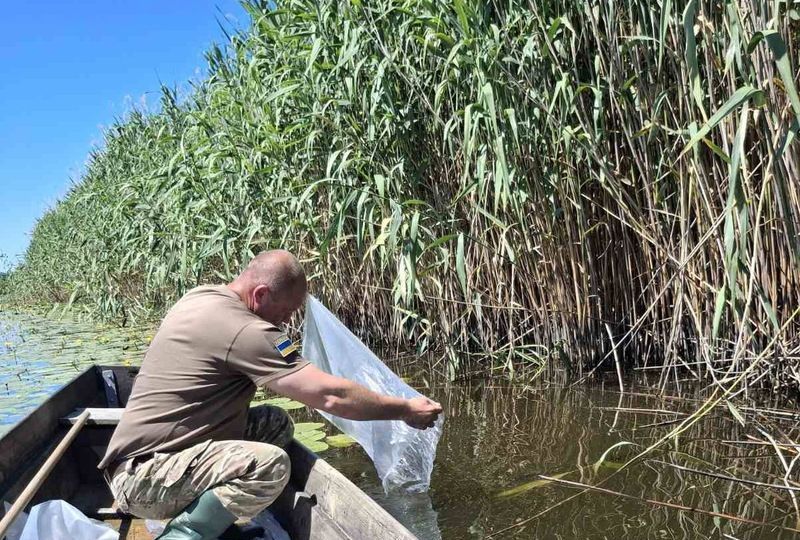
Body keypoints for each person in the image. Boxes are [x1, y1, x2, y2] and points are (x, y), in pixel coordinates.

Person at [98, 249, 442, 540]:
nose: (286, 323)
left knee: (274, 424)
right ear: (260, 295)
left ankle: (213, 520)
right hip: (145, 479)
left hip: (156, 456)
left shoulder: (204, 296)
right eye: (284, 313)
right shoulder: (246, 330)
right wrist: (405, 409)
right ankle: (185, 535)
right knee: (269, 465)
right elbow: (331, 397)